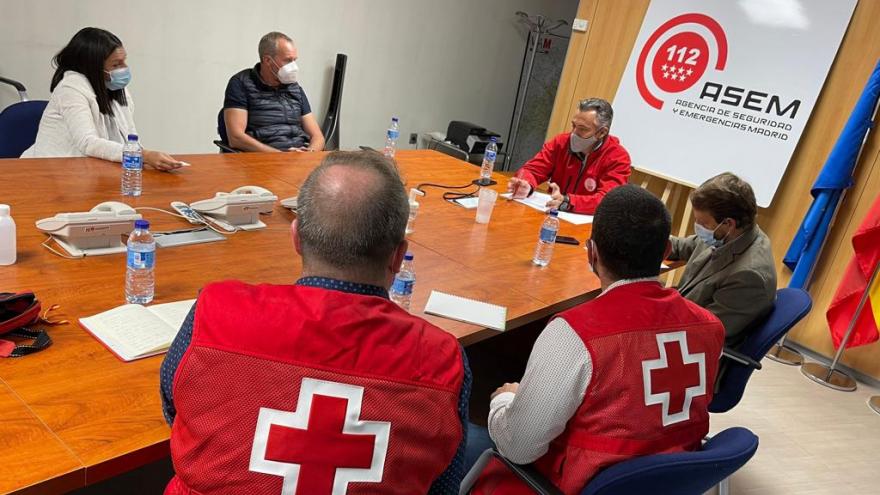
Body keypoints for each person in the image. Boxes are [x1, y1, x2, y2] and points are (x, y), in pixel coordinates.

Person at [160, 151, 469, 494]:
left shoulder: (216, 310)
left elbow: (176, 411)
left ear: (295, 237)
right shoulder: (442, 360)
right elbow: (442, 486)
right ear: (398, 256)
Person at [464, 185, 724, 494]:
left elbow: (518, 448)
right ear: (666, 252)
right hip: (667, 479)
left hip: (572, 483)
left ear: (591, 252)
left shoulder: (575, 332)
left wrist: (505, 399)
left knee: (456, 434)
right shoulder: (710, 327)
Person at [22, 27, 183, 170]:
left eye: (124, 61)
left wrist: (146, 159)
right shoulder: (70, 89)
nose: (124, 68)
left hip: (92, 171)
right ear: (93, 67)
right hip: (51, 173)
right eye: (116, 64)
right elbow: (88, 143)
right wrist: (144, 155)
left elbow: (130, 135)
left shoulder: (117, 88)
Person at [668, 172, 777, 347]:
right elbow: (683, 246)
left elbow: (704, 331)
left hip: (693, 349)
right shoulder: (727, 236)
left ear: (728, 223)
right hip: (680, 318)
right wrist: (647, 238)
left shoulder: (749, 276)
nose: (698, 227)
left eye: (702, 223)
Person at [507, 98, 631, 214]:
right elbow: (532, 169)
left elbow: (607, 201)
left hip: (585, 225)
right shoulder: (560, 142)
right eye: (574, 126)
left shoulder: (618, 157)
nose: (574, 133)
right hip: (550, 214)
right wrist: (526, 184)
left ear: (602, 132)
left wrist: (568, 202)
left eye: (582, 129)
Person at [223, 31, 325, 152]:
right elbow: (236, 138)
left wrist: (310, 153)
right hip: (264, 159)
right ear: (267, 60)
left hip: (299, 158)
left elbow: (317, 136)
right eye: (288, 60)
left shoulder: (295, 88)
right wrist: (280, 156)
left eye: (294, 60)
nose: (293, 66)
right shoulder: (241, 83)